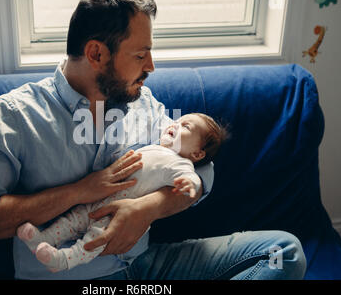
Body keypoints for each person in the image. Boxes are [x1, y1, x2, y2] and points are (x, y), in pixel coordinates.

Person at [0, 0, 306, 280]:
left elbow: (201, 170)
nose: (151, 67)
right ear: (96, 53)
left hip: (143, 267)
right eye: (140, 55)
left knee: (282, 253)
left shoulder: (141, 102)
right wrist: (79, 191)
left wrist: (147, 209)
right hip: (71, 275)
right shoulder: (15, 115)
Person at [16, 113, 226, 272]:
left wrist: (189, 185)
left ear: (197, 153)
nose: (174, 124)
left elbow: (196, 178)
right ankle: (44, 238)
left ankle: (62, 260)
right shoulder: (159, 145)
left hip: (118, 214)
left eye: (185, 126)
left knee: (97, 238)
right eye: (177, 121)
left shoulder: (180, 163)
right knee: (73, 219)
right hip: (101, 199)